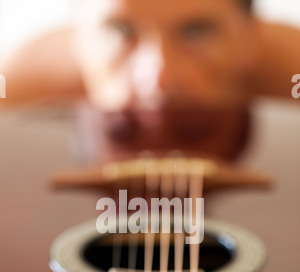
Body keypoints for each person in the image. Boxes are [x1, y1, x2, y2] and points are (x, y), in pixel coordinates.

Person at [1, 0, 300, 160]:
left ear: (250, 39)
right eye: (120, 31)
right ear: (77, 40)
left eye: (195, 31)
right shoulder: (14, 94)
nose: (157, 79)